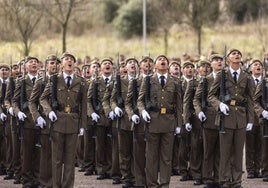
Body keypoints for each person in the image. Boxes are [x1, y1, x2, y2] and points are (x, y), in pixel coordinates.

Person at [40, 52, 87, 188]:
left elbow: (84, 105)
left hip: (73, 122)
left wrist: (83, 125)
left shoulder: (81, 82)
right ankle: (56, 185)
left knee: (70, 159)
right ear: (61, 64)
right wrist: (49, 112)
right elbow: (43, 98)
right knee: (56, 159)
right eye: (66, 59)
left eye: (72, 59)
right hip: (58, 122)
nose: (70, 61)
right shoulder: (54, 80)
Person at [208, 49, 254, 188]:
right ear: (228, 59)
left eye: (238, 53)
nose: (237, 55)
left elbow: (250, 100)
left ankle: (237, 181)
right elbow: (211, 96)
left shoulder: (246, 76)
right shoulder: (222, 74)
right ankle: (225, 180)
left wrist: (250, 119)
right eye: (233, 54)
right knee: (225, 151)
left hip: (240, 116)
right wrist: (220, 105)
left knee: (238, 152)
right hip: (225, 117)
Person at [137, 55, 183, 187]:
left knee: (166, 158)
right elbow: (140, 100)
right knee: (151, 157)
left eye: (165, 60)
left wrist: (179, 124)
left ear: (167, 65)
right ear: (155, 66)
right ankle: (151, 184)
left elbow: (179, 105)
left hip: (169, 122)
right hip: (153, 121)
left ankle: (164, 184)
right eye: (160, 60)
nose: (163, 61)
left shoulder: (175, 82)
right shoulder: (148, 81)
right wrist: (143, 111)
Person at [29, 55, 61, 188]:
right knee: (46, 155)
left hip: (60, 122)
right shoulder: (41, 81)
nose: (55, 65)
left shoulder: (62, 81)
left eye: (57, 63)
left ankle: (56, 182)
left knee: (59, 157)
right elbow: (32, 102)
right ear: (46, 65)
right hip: (46, 123)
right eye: (52, 63)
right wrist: (38, 117)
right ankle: (45, 183)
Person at [193, 54, 223, 188]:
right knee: (208, 151)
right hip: (209, 117)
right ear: (211, 65)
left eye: (220, 60)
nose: (219, 62)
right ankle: (208, 179)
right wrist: (199, 112)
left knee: (221, 151)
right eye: (216, 60)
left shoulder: (227, 77)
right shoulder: (206, 80)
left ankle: (218, 178)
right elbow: (196, 99)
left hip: (224, 117)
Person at [12, 56, 41, 188]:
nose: (34, 63)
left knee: (39, 153)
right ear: (26, 66)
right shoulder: (21, 81)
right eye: (31, 62)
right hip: (28, 121)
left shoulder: (44, 81)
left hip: (42, 121)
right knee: (27, 152)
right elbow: (14, 101)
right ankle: (27, 180)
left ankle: (37, 179)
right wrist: (18, 112)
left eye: (36, 62)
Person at [125, 56, 153, 187]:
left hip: (155, 121)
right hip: (139, 122)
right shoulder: (135, 82)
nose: (147, 64)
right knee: (139, 154)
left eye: (150, 62)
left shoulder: (156, 80)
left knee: (152, 155)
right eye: (144, 62)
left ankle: (151, 182)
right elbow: (128, 103)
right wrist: (132, 115)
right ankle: (140, 182)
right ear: (140, 66)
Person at [87, 58, 114, 180]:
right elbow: (88, 100)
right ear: (101, 68)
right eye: (105, 63)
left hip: (114, 118)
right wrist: (91, 113)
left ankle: (111, 169)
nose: (107, 65)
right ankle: (101, 169)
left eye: (109, 63)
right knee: (100, 146)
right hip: (100, 117)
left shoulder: (117, 81)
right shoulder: (96, 82)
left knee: (111, 145)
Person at [246, 59, 263, 179]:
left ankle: (258, 168)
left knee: (260, 146)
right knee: (250, 146)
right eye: (255, 64)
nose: (258, 66)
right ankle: (250, 169)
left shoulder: (265, 81)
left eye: (260, 65)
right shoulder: (247, 81)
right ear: (250, 68)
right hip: (249, 117)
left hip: (262, 117)